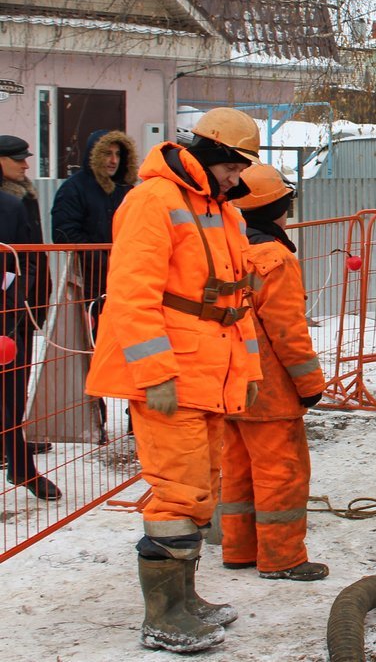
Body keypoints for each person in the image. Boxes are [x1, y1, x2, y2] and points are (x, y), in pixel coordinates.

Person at [85, 108, 263, 653]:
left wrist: (249, 371)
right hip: (174, 377)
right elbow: (133, 296)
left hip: (211, 374)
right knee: (177, 495)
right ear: (207, 156)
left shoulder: (223, 213)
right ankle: (163, 616)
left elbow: (237, 302)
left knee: (200, 491)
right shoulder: (152, 202)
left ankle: (184, 600)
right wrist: (155, 374)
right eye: (234, 167)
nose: (239, 180)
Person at [219, 163, 328, 582]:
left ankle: (240, 549)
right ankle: (282, 558)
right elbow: (287, 333)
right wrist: (310, 385)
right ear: (276, 209)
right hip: (270, 392)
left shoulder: (225, 249)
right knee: (281, 473)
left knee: (238, 470)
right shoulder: (274, 260)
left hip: (229, 383)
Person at [51, 129, 139, 441]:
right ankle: (93, 418)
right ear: (94, 156)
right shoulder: (74, 189)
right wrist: (106, 253)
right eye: (107, 154)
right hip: (91, 285)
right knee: (93, 353)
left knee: (136, 350)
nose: (113, 160)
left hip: (130, 283)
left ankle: (136, 418)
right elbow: (62, 232)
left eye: (118, 154)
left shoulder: (129, 189)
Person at [0, 135, 59, 501]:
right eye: (17, 159)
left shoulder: (21, 199)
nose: (25, 165)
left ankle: (19, 462)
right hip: (10, 307)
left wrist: (33, 297)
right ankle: (20, 464)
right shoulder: (9, 205)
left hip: (16, 310)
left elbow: (30, 257)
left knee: (12, 388)